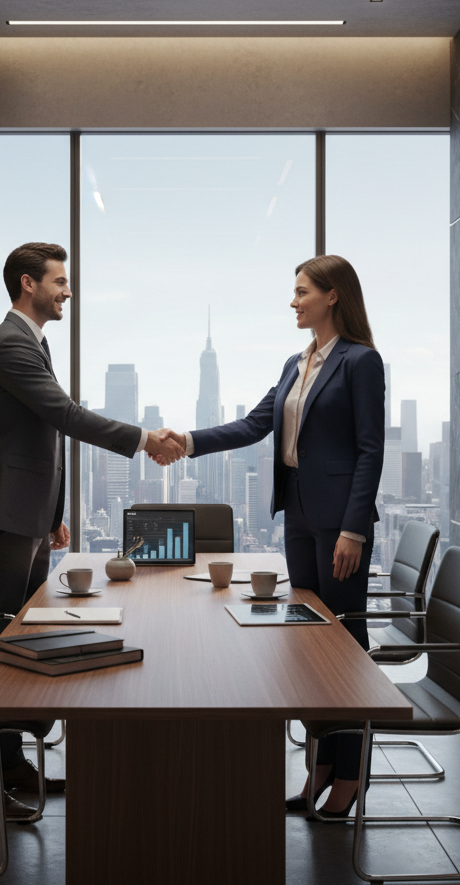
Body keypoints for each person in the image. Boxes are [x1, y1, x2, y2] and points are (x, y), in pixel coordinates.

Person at [0, 242, 184, 819]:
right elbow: (65, 416)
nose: (67, 291)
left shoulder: (32, 343)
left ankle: (8, 762)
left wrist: (53, 512)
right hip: (6, 513)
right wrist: (141, 439)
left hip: (25, 512)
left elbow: (40, 435)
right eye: (59, 281)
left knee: (17, 640)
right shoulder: (10, 344)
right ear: (28, 284)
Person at [164, 254, 384, 817]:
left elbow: (369, 450)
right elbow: (254, 424)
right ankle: (320, 770)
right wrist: (187, 441)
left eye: (302, 291)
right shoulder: (296, 362)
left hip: (340, 527)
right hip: (299, 520)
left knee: (344, 651)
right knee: (307, 650)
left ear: (332, 295)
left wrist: (355, 529)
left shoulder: (361, 362)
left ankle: (351, 775)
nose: (293, 301)